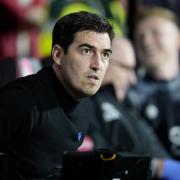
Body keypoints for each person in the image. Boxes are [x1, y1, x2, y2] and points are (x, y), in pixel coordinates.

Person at [0, 11, 114, 179]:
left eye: (105, 54)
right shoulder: (21, 101)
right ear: (58, 55)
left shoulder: (86, 104)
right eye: (86, 51)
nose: (98, 64)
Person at [77, 36, 180, 180]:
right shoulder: (82, 103)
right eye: (126, 68)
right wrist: (157, 166)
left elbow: (155, 151)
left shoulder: (126, 106)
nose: (133, 79)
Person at [126, 6, 180, 160]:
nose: (146, 41)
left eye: (156, 33)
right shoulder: (129, 95)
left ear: (178, 38)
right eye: (140, 36)